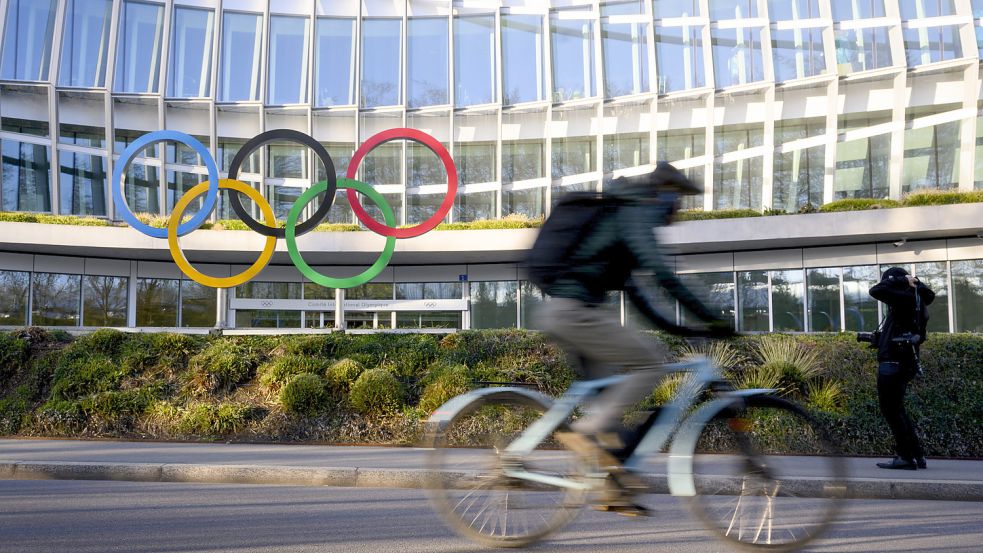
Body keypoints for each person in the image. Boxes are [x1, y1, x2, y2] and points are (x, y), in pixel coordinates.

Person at [530, 162, 733, 512]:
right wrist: (713, 319)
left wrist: (685, 329)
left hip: (567, 313)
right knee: (651, 362)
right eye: (679, 201)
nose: (679, 211)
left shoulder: (622, 220)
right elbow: (664, 277)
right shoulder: (635, 213)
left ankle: (613, 488)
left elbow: (640, 296)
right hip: (574, 313)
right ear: (665, 195)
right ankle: (586, 432)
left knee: (610, 406)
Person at [868, 267, 935, 471]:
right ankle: (916, 455)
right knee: (898, 411)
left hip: (893, 363)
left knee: (892, 412)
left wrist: (898, 279)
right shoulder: (916, 300)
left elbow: (876, 290)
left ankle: (906, 457)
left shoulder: (904, 298)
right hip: (904, 363)